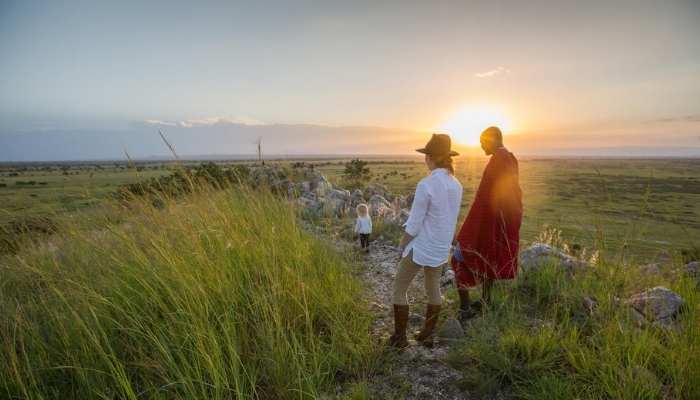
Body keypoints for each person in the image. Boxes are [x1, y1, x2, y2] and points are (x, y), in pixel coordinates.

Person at [389, 134, 463, 349]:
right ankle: (427, 334)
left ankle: (400, 339)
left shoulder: (426, 184)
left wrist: (402, 244)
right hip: (441, 247)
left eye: (426, 156)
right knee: (433, 290)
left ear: (430, 158)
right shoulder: (456, 184)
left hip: (421, 246)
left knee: (399, 288)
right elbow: (450, 218)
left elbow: (413, 224)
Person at [451, 126, 522, 320]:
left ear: (492, 140)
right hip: (502, 222)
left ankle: (465, 308)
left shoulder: (497, 161)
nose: (481, 147)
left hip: (489, 222)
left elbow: (484, 198)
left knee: (459, 256)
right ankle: (486, 302)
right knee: (489, 262)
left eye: (482, 142)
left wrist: (467, 230)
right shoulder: (510, 157)